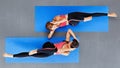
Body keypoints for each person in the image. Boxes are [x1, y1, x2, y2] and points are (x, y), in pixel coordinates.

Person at [3, 29, 79, 58]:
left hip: (48, 52)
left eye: (71, 42)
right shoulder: (67, 41)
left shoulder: (67, 52)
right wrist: (75, 37)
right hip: (48, 45)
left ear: (72, 44)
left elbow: (60, 51)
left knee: (30, 54)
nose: (70, 41)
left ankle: (11, 55)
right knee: (54, 49)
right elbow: (69, 30)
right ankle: (38, 50)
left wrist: (70, 49)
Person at [46, 12, 117, 38]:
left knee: (91, 14)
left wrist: (55, 23)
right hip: (73, 22)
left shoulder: (56, 18)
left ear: (52, 22)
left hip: (73, 15)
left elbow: (65, 19)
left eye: (54, 25)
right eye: (53, 27)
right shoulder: (53, 28)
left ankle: (108, 14)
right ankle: (84, 20)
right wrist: (51, 31)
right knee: (71, 20)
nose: (55, 27)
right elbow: (49, 37)